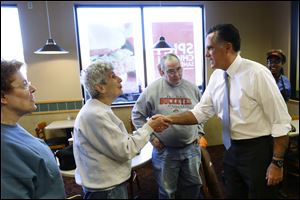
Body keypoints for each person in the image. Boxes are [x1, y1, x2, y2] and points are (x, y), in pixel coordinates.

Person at [157, 24, 292, 199]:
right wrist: (168, 119)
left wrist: (277, 163)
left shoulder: (257, 74)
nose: (206, 54)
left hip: (257, 150)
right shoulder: (216, 77)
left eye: (210, 48)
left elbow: (280, 122)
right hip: (230, 149)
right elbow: (199, 113)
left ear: (227, 47)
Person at [73, 61, 169, 199]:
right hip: (107, 191)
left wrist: (148, 128)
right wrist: (150, 127)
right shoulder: (95, 114)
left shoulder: (99, 110)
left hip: (106, 187)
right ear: (100, 87)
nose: (120, 79)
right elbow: (125, 150)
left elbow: (119, 143)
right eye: (113, 76)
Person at [132, 53, 205, 199]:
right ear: (161, 71)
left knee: (193, 188)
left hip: (191, 148)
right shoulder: (152, 90)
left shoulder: (193, 88)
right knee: (167, 191)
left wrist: (199, 132)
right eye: (171, 71)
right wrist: (151, 138)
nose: (177, 74)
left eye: (179, 69)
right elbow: (136, 115)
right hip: (165, 151)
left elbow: (202, 113)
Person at [1, 59, 66, 198]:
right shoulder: (4, 150)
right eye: (24, 85)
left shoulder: (13, 128)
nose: (33, 88)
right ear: (3, 97)